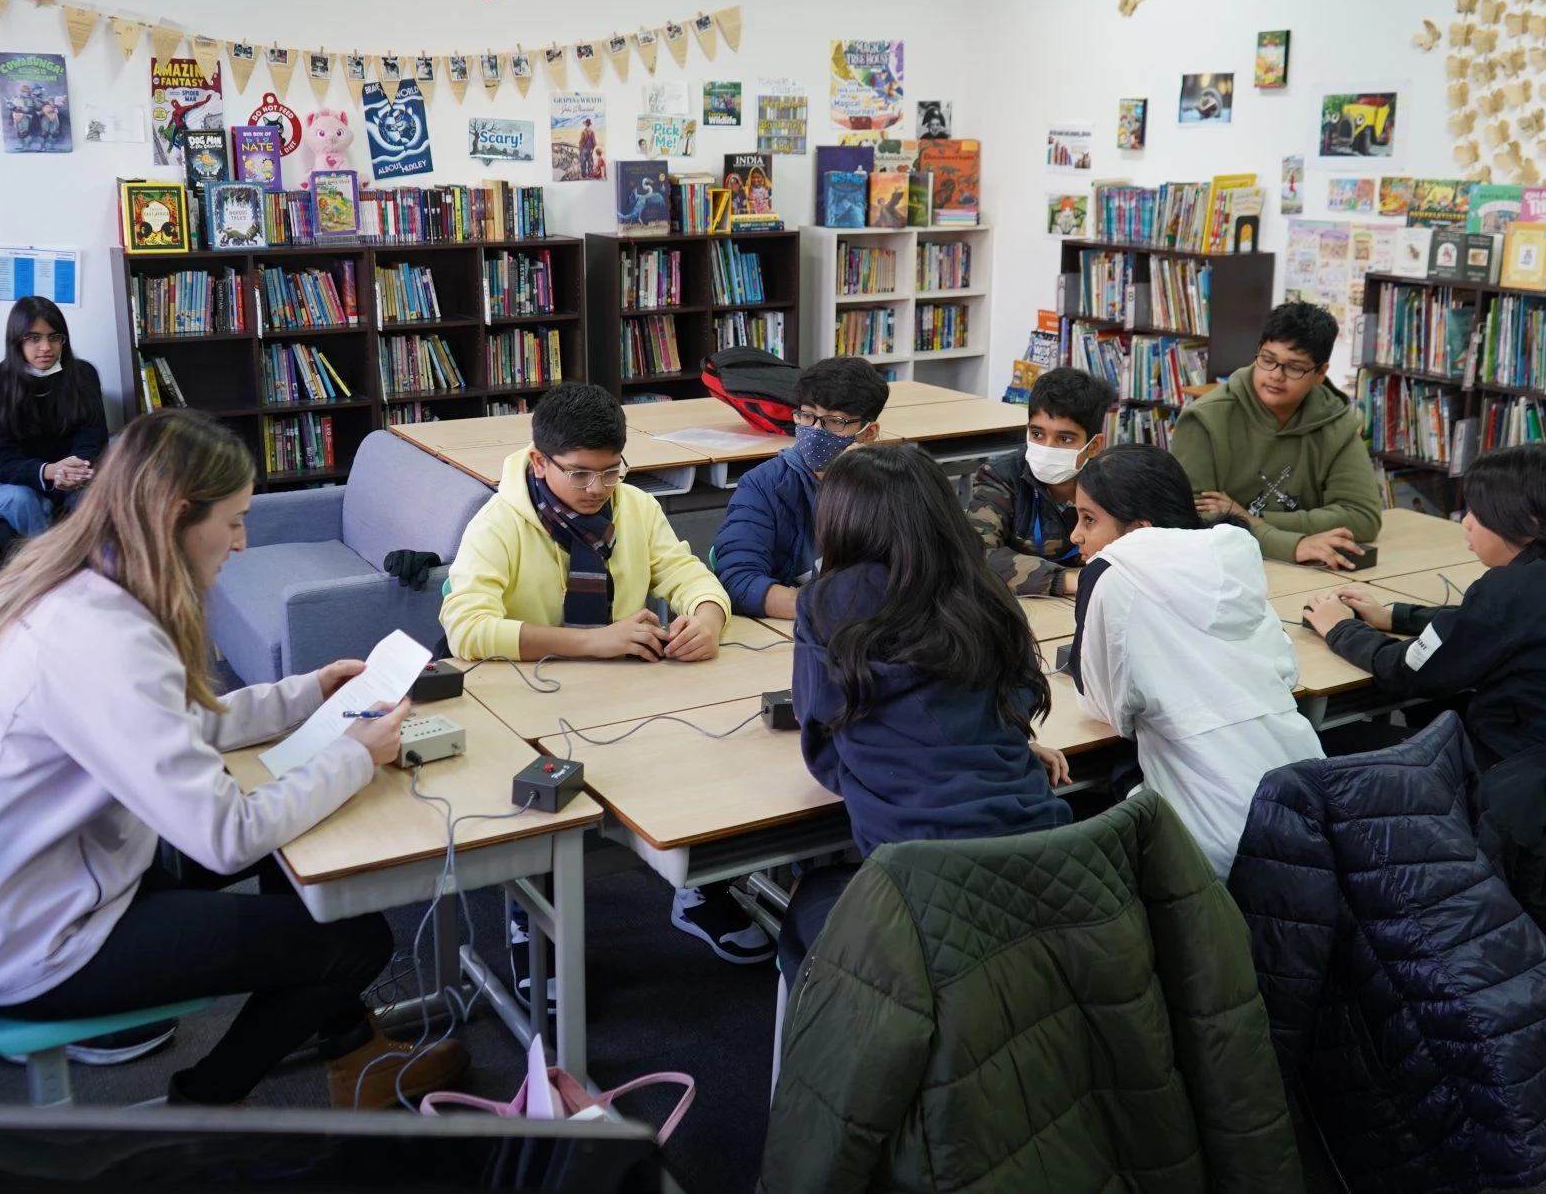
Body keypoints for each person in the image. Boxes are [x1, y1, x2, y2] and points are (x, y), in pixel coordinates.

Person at [0, 409, 453, 1108]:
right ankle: (202, 1105)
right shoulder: (101, 635)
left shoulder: (83, 578)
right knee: (354, 939)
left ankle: (351, 1051)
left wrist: (305, 694)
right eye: (233, 520)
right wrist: (357, 754)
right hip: (43, 942)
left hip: (54, 875)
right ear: (178, 512)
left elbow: (168, 722)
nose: (241, 542)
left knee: (302, 847)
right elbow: (225, 835)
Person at [440, 384, 767, 963]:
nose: (598, 489)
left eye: (610, 472)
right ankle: (528, 916)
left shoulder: (637, 508)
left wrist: (709, 619)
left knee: (711, 757)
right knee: (537, 803)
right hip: (527, 698)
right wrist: (593, 641)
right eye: (580, 475)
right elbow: (466, 627)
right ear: (539, 462)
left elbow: (690, 575)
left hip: (622, 687)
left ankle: (698, 889)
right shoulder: (499, 522)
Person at [782, 443, 1072, 986]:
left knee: (806, 893)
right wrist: (984, 740)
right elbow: (1015, 702)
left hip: (921, 889)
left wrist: (886, 764)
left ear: (840, 519)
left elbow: (820, 744)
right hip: (1046, 867)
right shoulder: (986, 589)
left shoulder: (826, 602)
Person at [1299, 443, 1546, 765]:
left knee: (1323, 742)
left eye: (1479, 512)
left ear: (1530, 522)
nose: (1466, 522)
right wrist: (1395, 616)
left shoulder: (1507, 591)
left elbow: (1404, 672)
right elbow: (1481, 624)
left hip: (1515, 771)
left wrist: (1340, 627)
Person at [1066, 444, 1323, 878]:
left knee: (1107, 780)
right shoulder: (1233, 555)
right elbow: (1286, 670)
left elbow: (1106, 708)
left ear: (1139, 532)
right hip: (1311, 805)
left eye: (1089, 519)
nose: (1076, 535)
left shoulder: (1112, 579)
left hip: (1214, 844)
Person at [1172, 302, 1383, 569]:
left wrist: (1253, 518)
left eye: (1294, 368)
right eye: (1268, 359)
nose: (1275, 376)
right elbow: (1194, 521)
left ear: (1320, 373)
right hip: (1224, 570)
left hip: (1312, 573)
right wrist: (1290, 545)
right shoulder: (1204, 420)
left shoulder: (1335, 421)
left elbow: (1363, 517)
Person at [711, 357, 888, 620]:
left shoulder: (894, 487)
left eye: (834, 421)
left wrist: (856, 483)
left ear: (868, 433)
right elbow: (738, 580)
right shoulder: (764, 485)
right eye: (807, 416)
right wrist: (826, 608)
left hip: (872, 631)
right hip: (797, 630)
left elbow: (922, 573)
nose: (815, 430)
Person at [967, 366, 1112, 596]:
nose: (1047, 447)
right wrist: (1068, 580)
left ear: (1093, 446)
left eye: (1064, 439)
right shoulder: (1001, 476)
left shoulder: (1114, 483)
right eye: (1037, 434)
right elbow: (974, 555)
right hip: (1028, 606)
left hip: (1094, 602)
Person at [0, 297, 108, 537]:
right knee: (22, 500)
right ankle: (50, 567)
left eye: (54, 337)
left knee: (95, 494)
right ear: (16, 341)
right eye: (33, 338)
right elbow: (1, 461)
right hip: (8, 482)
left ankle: (98, 567)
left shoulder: (83, 374)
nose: (46, 347)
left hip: (70, 474)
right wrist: (50, 471)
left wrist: (72, 472)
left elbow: (93, 440)